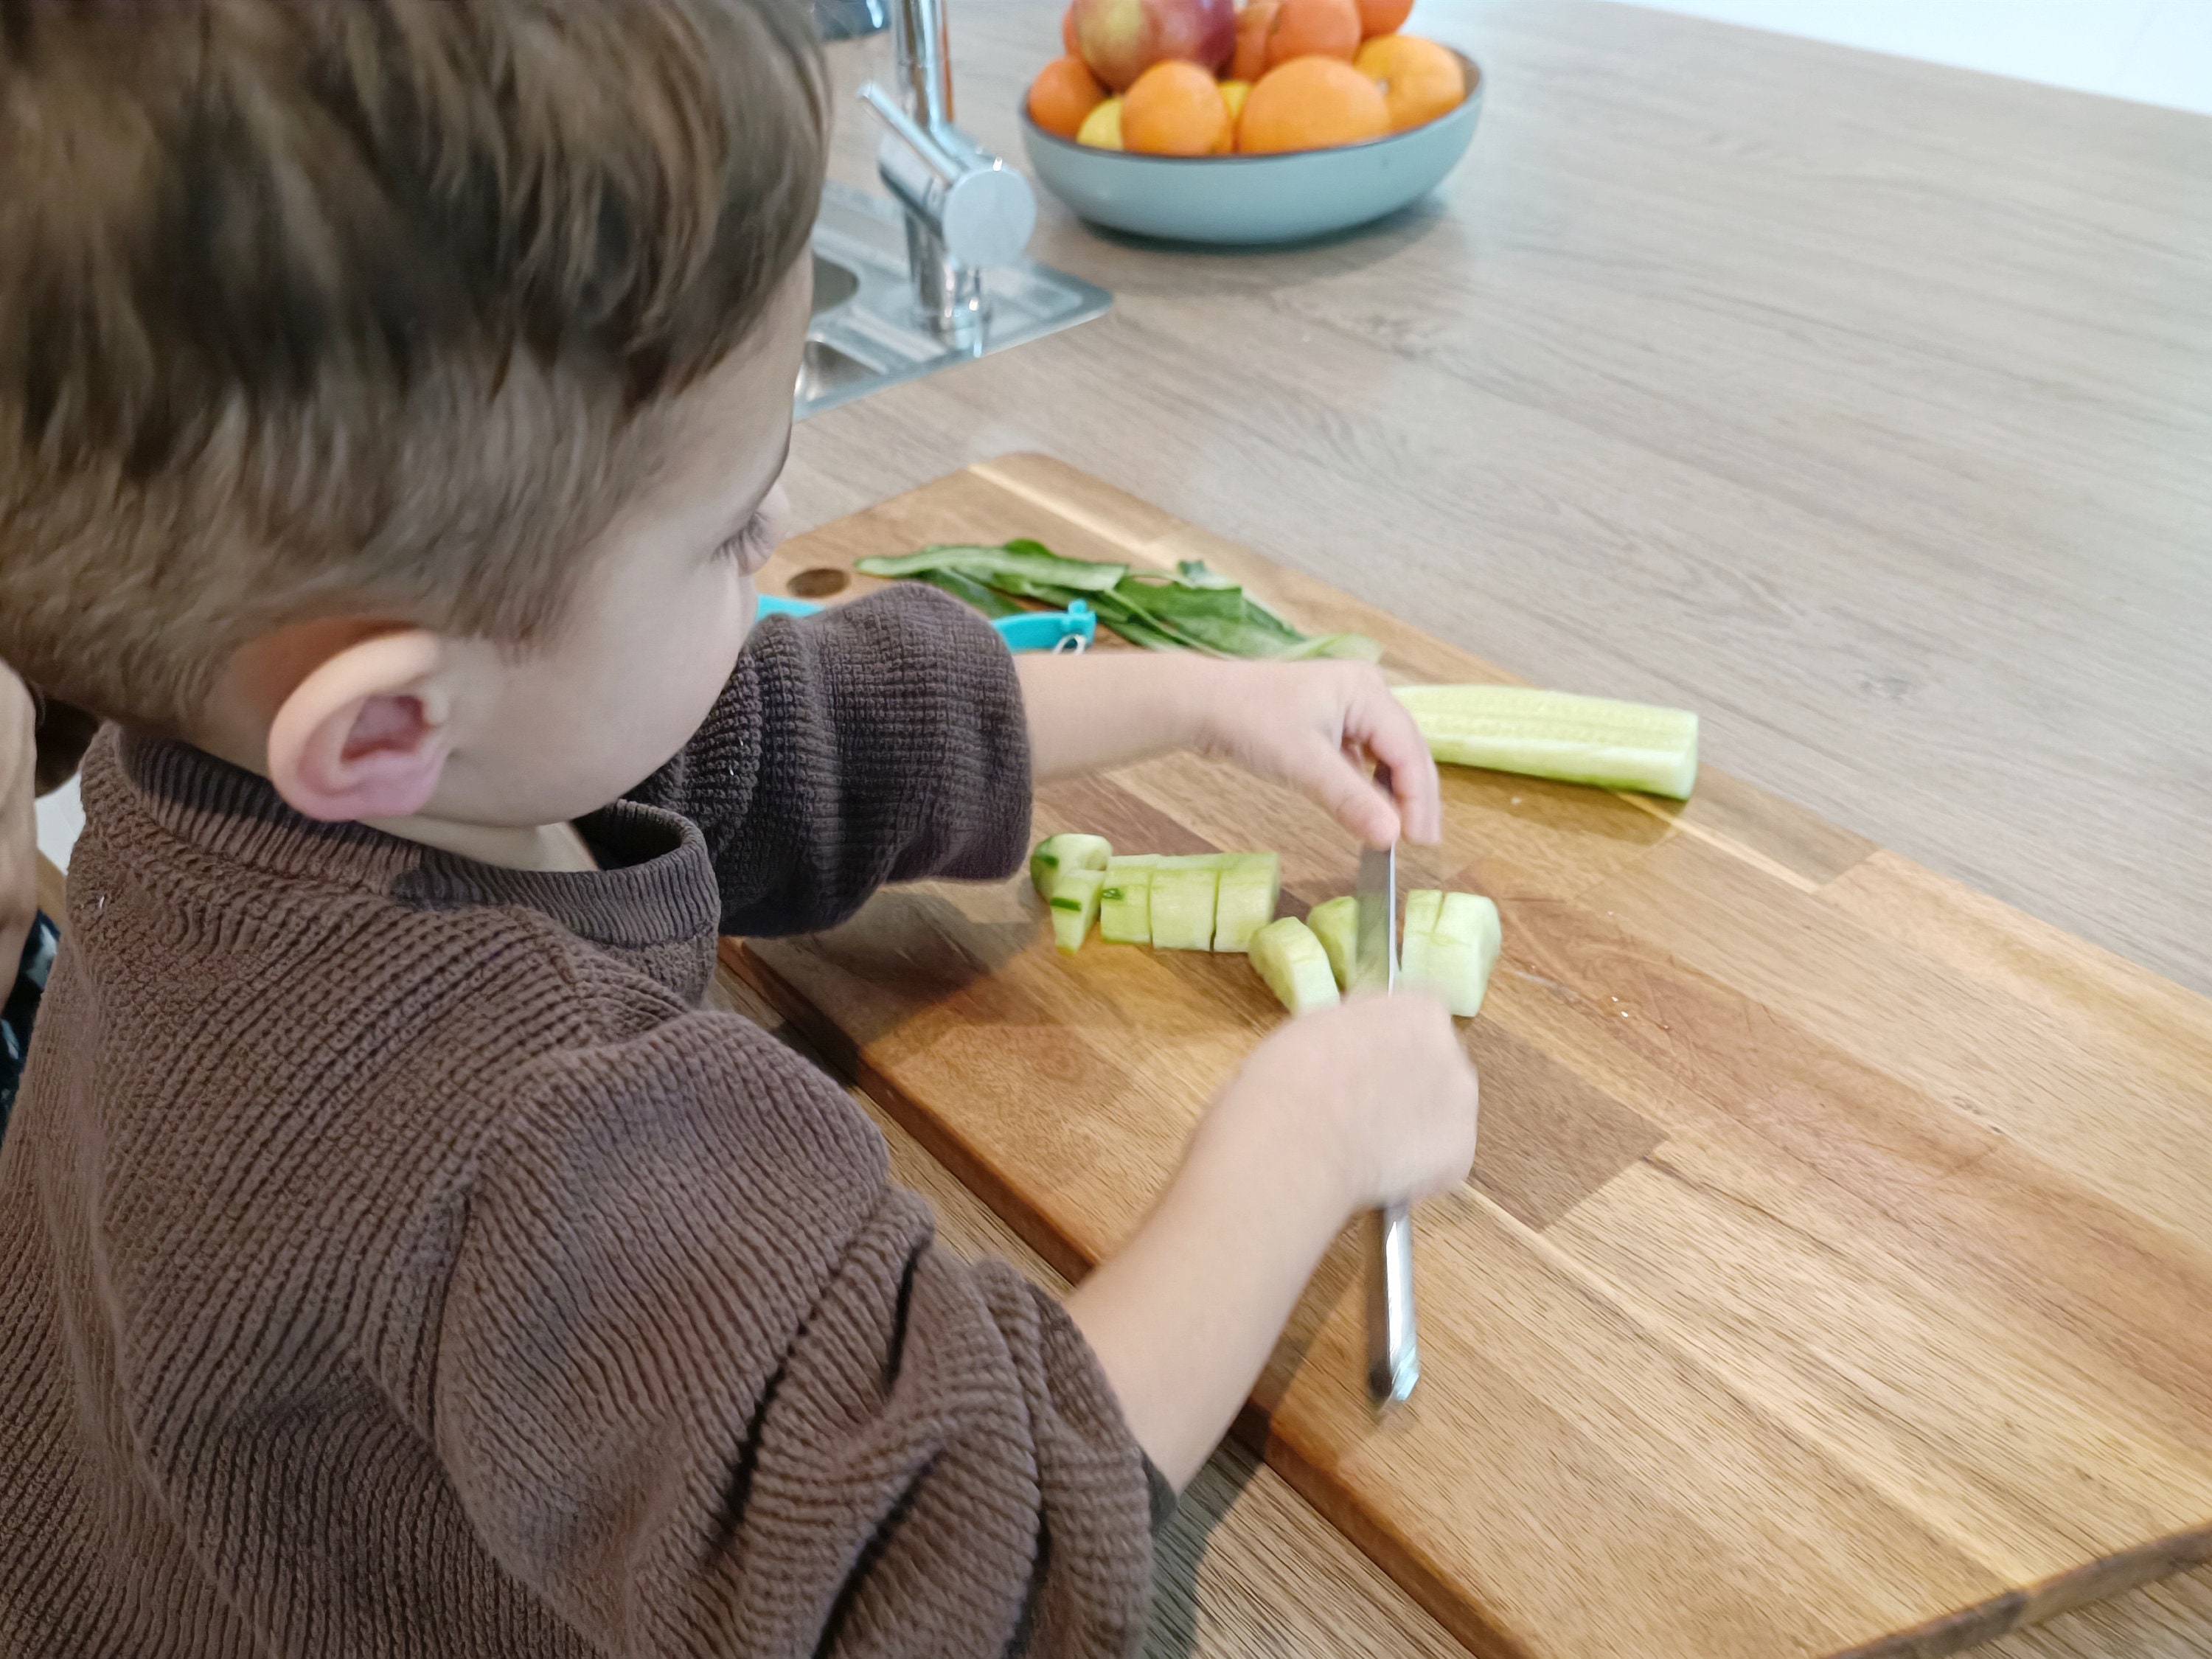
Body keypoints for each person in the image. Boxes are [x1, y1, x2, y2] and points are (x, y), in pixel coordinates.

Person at [0, 3, 1478, 1655]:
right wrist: (1305, 1140)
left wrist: (1198, 698)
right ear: (384, 724)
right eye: (735, 530)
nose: (775, 565)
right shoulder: (532, 1144)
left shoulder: (216, 782)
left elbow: (782, 734)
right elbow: (976, 1568)